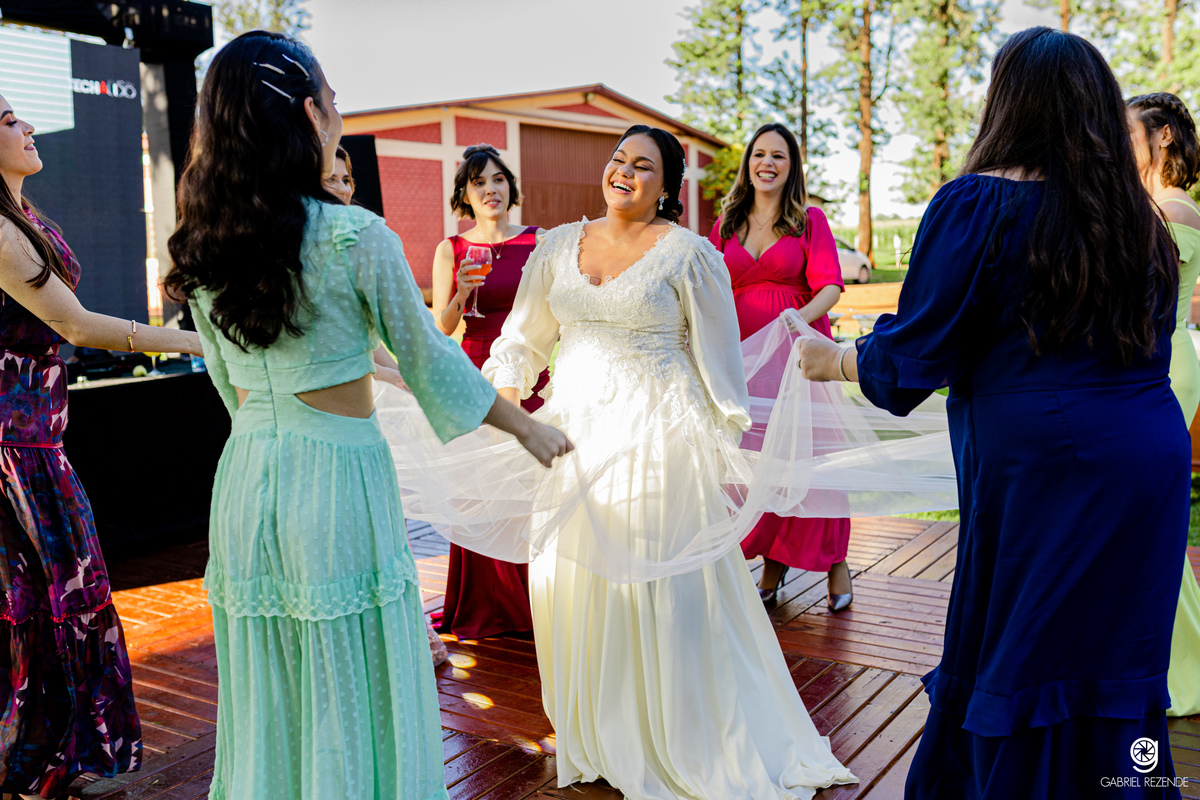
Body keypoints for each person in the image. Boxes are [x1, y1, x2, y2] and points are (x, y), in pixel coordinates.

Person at [163, 32, 569, 800]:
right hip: (337, 480)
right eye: (334, 97)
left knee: (271, 685)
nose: (339, 110)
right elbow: (427, 355)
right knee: (348, 681)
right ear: (310, 114)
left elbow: (224, 382)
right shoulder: (355, 234)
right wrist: (527, 427)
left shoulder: (203, 243)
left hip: (245, 479)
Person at [798, 28, 1188, 797]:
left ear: (1008, 102)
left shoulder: (978, 203)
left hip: (1043, 466)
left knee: (1022, 655)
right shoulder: (1139, 220)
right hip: (1147, 457)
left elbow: (917, 356)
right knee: (1114, 661)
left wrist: (836, 359)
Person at [480, 125, 855, 799]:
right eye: (618, 159)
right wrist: (512, 412)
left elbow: (720, 366)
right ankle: (603, 734)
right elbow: (520, 343)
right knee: (572, 581)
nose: (624, 171)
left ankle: (678, 734)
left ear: (667, 186)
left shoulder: (689, 254)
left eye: (643, 165)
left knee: (660, 591)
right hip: (571, 439)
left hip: (658, 442)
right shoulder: (558, 245)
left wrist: (716, 442)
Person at [0, 96, 204, 798]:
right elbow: (79, 327)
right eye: (7, 121)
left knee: (53, 599)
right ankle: (46, 763)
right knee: (42, 602)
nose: (27, 127)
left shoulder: (26, 219)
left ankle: (50, 760)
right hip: (13, 449)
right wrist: (196, 341)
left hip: (35, 439)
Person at [708, 123, 852, 611]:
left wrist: (796, 321)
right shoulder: (726, 223)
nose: (767, 163)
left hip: (796, 356)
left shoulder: (809, 220)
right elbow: (707, 290)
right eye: (759, 154)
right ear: (748, 163)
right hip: (742, 360)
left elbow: (830, 286)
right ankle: (772, 561)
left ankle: (835, 562)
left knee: (809, 460)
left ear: (792, 168)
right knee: (752, 462)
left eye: (779, 156)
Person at [324, 139, 448, 665]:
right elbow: (330, 350)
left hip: (366, 414)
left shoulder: (358, 246)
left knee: (383, 529)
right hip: (323, 418)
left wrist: (406, 376)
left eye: (347, 179)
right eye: (330, 179)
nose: (342, 188)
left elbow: (373, 346)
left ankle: (404, 632)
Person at [428, 143, 547, 640]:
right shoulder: (451, 249)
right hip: (474, 371)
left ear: (510, 187)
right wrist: (461, 291)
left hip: (530, 373)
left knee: (529, 480)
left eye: (498, 179)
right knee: (480, 485)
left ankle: (536, 596)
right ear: (465, 194)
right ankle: (485, 599)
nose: (491, 189)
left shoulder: (539, 241)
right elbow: (442, 326)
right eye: (479, 182)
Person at [1127, 91, 1200, 719]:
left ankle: (1181, 671)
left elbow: (1139, 290)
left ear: (1163, 137)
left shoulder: (1173, 208)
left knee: (1147, 518)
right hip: (1148, 365)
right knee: (1145, 519)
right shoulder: (1150, 206)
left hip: (1163, 370)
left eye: (1129, 133)